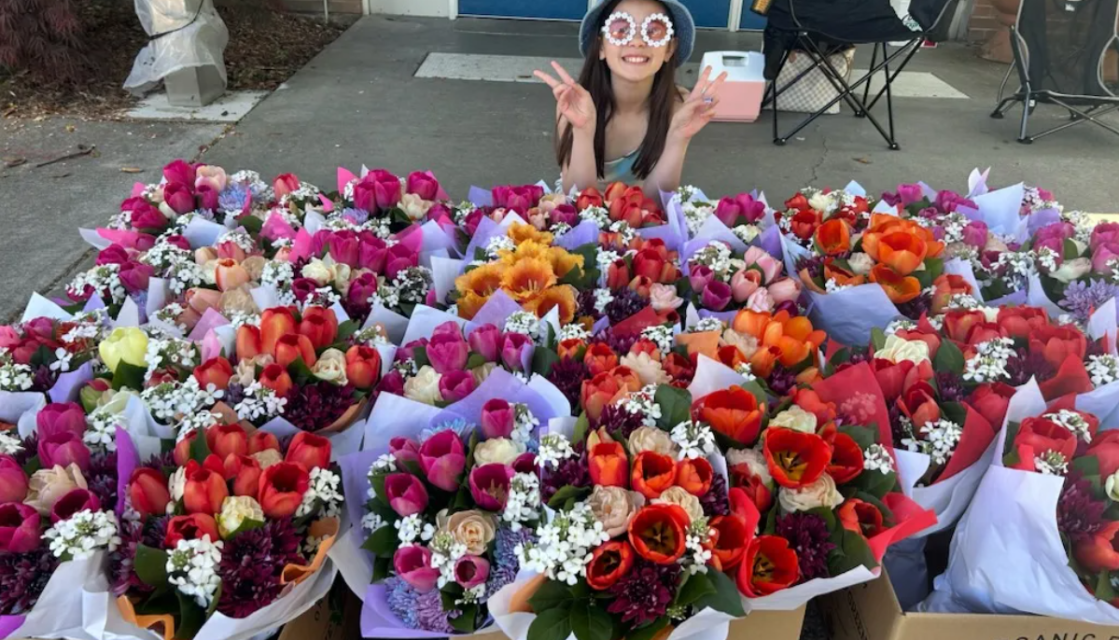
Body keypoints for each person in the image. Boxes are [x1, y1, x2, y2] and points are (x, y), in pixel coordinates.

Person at [534, 0, 727, 197]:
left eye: (653, 31)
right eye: (621, 30)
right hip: (582, 208)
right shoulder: (575, 104)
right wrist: (582, 130)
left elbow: (659, 201)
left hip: (642, 208)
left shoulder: (677, 106)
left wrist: (679, 137)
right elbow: (576, 197)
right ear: (601, 46)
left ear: (670, 49)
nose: (637, 41)